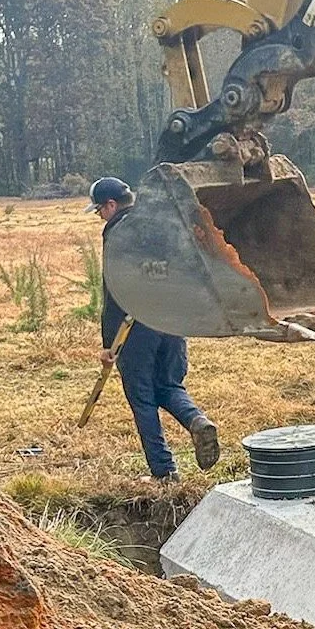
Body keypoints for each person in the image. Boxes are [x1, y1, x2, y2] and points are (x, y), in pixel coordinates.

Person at [90, 176, 220, 481]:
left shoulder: (118, 232)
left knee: (143, 398)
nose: (100, 217)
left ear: (111, 205)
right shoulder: (160, 221)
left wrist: (110, 345)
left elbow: (115, 291)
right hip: (172, 320)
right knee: (169, 386)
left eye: (99, 210)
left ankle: (164, 473)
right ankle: (196, 420)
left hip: (135, 327)